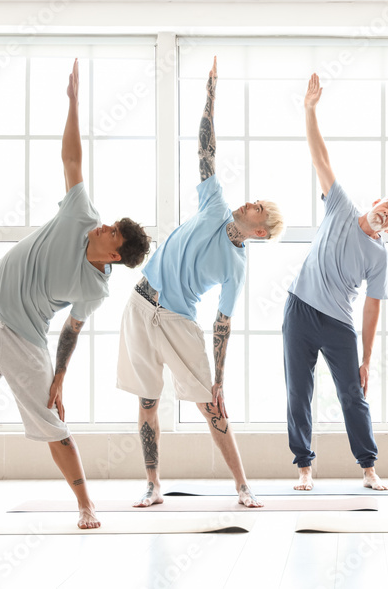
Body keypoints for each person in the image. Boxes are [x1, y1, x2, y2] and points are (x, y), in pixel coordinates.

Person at [0, 59, 150, 530]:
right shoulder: (80, 214)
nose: (104, 226)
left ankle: (86, 505)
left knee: (53, 423)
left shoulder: (95, 288)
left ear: (115, 255)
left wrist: (59, 376)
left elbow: (71, 330)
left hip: (24, 339)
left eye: (112, 232)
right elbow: (71, 161)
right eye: (109, 224)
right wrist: (73, 104)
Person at [116, 57, 283, 508]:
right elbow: (205, 152)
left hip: (177, 319)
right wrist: (210, 93)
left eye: (257, 208)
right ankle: (153, 485)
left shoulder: (237, 266)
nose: (249, 203)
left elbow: (222, 324)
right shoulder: (215, 205)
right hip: (140, 304)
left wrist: (219, 381)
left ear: (260, 231)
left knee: (211, 406)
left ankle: (243, 486)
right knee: (147, 401)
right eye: (253, 201)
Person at [284, 73, 388, 491]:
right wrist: (309, 109)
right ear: (377, 202)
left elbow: (373, 306)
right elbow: (320, 157)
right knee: (298, 391)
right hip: (300, 309)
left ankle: (369, 468)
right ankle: (304, 468)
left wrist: (367, 358)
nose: (387, 213)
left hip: (338, 323)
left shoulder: (380, 256)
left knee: (352, 394)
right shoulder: (340, 205)